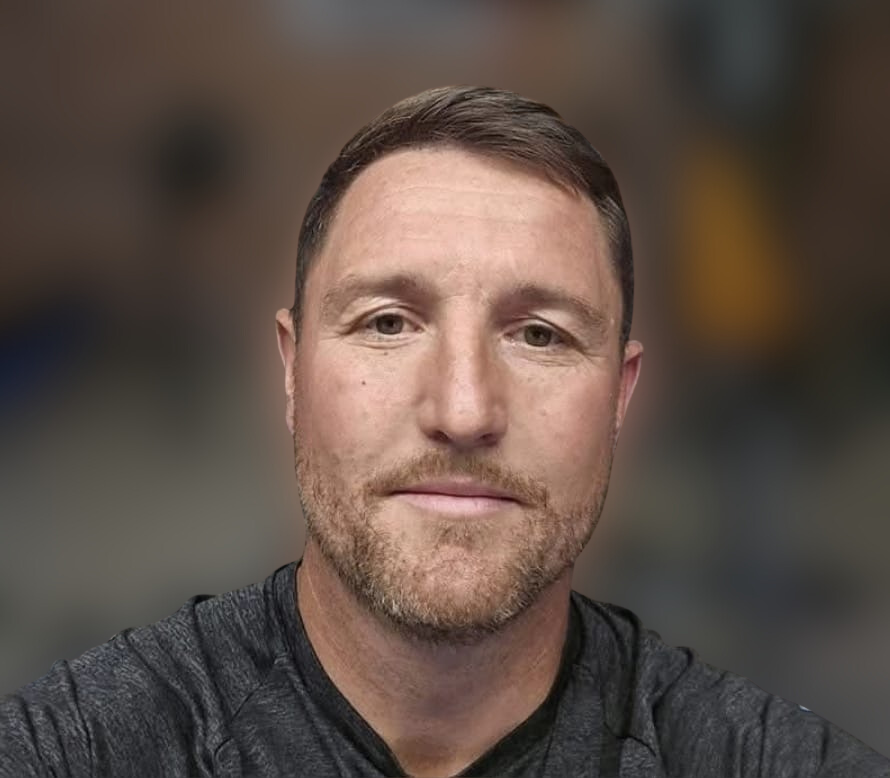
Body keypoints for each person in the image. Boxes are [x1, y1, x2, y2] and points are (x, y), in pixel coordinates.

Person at [1, 85, 887, 778]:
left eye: (539, 335)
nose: (463, 411)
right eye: (388, 322)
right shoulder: (72, 752)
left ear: (621, 398)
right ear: (289, 372)